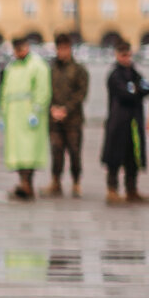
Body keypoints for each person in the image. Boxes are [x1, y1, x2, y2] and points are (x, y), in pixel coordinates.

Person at [0, 34, 51, 202]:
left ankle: (28, 183)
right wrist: (3, 112)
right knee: (18, 152)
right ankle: (22, 182)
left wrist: (36, 109)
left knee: (29, 151)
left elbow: (43, 89)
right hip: (14, 114)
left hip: (28, 113)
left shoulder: (37, 66)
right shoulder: (11, 67)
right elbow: (5, 90)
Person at [102, 41, 149, 205]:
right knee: (115, 158)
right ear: (117, 55)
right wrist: (137, 90)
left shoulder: (134, 72)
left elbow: (147, 87)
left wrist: (136, 89)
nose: (126, 58)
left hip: (133, 123)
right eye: (123, 55)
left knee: (133, 158)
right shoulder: (115, 75)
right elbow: (125, 93)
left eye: (128, 55)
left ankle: (132, 189)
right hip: (118, 122)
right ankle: (112, 189)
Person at [48, 32, 89, 197]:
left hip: (73, 119)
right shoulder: (51, 69)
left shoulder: (79, 70)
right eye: (60, 48)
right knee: (56, 152)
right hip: (54, 120)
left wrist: (66, 109)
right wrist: (52, 109)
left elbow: (81, 93)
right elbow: (45, 91)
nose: (63, 52)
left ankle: (76, 182)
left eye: (66, 48)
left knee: (74, 152)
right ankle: (56, 181)